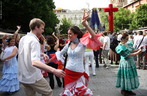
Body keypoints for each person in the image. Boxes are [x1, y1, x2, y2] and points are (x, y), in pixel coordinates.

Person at [56, 12, 101, 96]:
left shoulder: (82, 43)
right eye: (68, 33)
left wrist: (85, 25)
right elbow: (59, 53)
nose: (68, 35)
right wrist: (60, 61)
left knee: (80, 92)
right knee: (69, 93)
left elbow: (94, 37)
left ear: (76, 34)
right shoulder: (68, 44)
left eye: (70, 34)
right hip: (68, 72)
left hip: (79, 73)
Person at [18, 18, 65, 96]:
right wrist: (54, 70)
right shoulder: (34, 41)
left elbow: (25, 53)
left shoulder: (23, 38)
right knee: (48, 92)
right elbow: (35, 62)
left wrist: (41, 54)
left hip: (23, 76)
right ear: (36, 27)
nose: (43, 31)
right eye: (42, 28)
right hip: (33, 76)